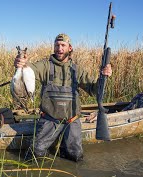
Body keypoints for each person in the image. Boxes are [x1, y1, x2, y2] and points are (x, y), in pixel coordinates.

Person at [14, 33, 112, 162]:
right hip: (50, 120)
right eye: (57, 45)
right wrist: (22, 63)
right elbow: (29, 69)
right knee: (35, 154)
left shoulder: (77, 70)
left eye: (63, 45)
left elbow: (94, 91)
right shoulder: (45, 66)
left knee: (76, 156)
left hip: (72, 120)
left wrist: (103, 77)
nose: (59, 48)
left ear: (69, 48)